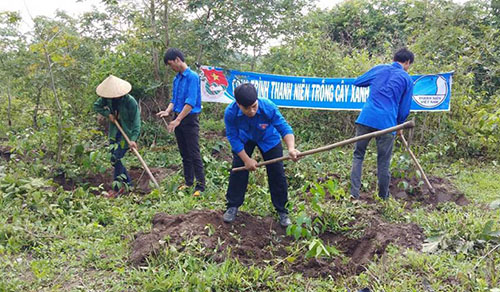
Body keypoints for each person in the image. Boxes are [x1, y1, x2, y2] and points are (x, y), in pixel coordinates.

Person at [222, 83, 300, 227]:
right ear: (238, 104)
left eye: (254, 106)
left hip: (268, 139)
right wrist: (246, 160)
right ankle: (232, 206)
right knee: (238, 170)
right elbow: (233, 137)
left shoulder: (268, 107)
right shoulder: (230, 113)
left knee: (277, 173)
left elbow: (284, 127)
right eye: (247, 108)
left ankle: (282, 210)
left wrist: (291, 148)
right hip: (244, 138)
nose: (251, 111)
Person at [350, 48, 415, 200]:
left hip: (366, 118)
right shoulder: (406, 79)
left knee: (358, 156)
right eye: (409, 65)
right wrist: (399, 126)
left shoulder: (379, 69)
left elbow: (357, 82)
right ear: (407, 62)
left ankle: (354, 195)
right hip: (388, 123)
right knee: (383, 162)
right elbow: (404, 108)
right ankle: (383, 198)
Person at [157, 48, 205, 197]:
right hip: (178, 117)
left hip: (189, 119)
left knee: (194, 152)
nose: (171, 68)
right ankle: (189, 182)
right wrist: (168, 111)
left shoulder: (192, 77)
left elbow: (190, 103)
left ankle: (201, 186)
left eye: (171, 64)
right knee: (184, 153)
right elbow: (174, 100)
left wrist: (178, 120)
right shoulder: (176, 78)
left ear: (178, 59)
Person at [94, 75, 141, 198]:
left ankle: (116, 189)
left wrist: (133, 139)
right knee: (113, 159)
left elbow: (136, 121)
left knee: (117, 157)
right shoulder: (107, 99)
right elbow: (96, 106)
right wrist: (107, 114)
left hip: (127, 133)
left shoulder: (130, 101)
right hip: (114, 132)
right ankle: (128, 185)